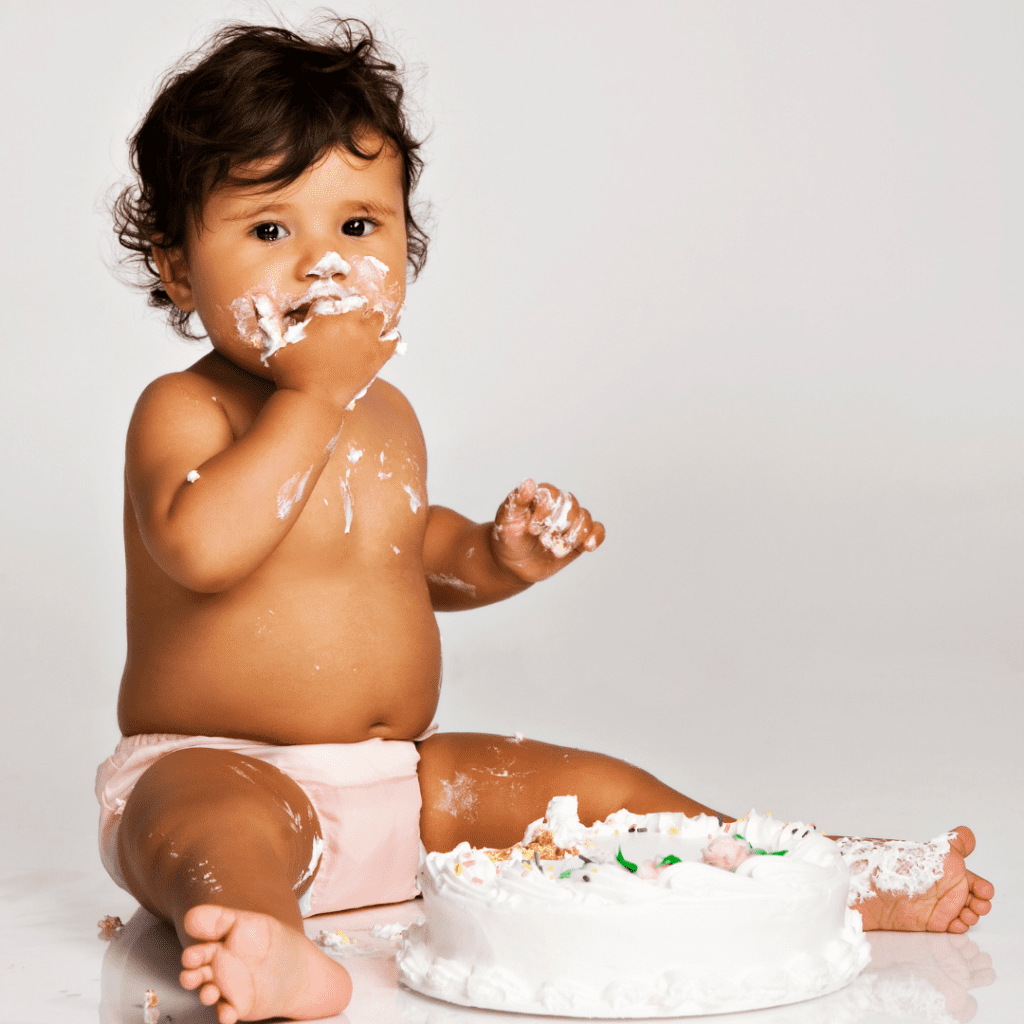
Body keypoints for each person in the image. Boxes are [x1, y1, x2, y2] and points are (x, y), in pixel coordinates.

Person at [97, 19, 994, 1024]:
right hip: (225, 768)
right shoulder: (187, 409)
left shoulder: (382, 415)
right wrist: (308, 399)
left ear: (405, 243)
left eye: (358, 228)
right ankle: (270, 942)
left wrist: (491, 555)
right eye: (270, 230)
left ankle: (816, 867)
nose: (323, 266)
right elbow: (203, 547)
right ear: (178, 268)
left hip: (405, 780)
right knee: (212, 835)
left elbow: (397, 549)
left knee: (592, 786)